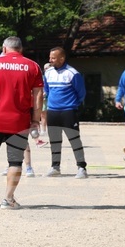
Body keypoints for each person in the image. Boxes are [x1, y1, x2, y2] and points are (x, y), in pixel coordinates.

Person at [0, 36, 42, 210]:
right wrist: (35, 119)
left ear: (4, 49)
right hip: (19, 121)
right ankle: (8, 199)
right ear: (21, 50)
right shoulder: (32, 66)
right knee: (16, 162)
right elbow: (39, 95)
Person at [43, 47, 89, 177]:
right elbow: (47, 90)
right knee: (55, 141)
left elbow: (81, 93)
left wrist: (72, 105)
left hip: (68, 111)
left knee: (74, 140)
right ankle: (55, 167)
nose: (50, 60)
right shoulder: (48, 73)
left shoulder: (73, 73)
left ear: (61, 58)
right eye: (50, 57)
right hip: (52, 111)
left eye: (53, 58)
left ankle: (81, 168)